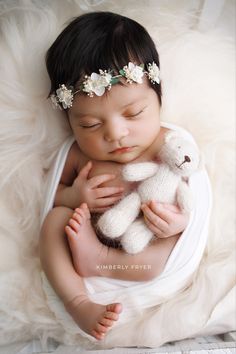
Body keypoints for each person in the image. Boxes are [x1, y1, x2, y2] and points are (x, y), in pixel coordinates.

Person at [39, 11, 190, 341]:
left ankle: (102, 261)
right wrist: (72, 197)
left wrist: (177, 224)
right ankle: (78, 301)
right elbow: (50, 194)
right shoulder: (78, 155)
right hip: (86, 233)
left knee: (157, 257)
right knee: (53, 225)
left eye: (134, 113)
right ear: (70, 122)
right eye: (90, 125)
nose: (116, 134)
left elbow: (191, 196)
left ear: (158, 97)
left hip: (139, 251)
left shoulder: (166, 144)